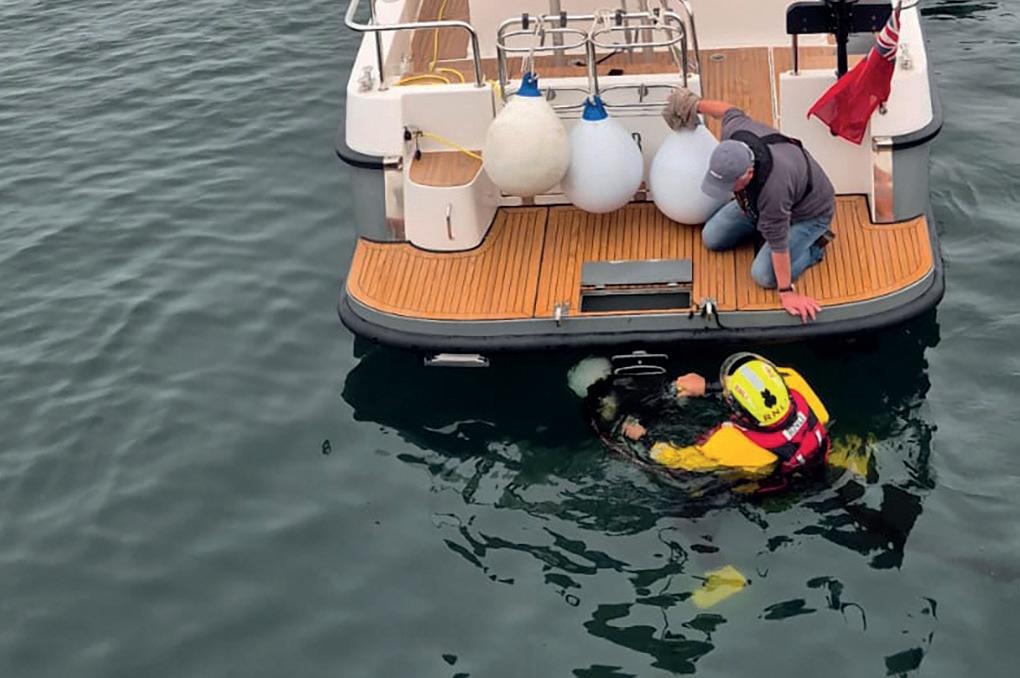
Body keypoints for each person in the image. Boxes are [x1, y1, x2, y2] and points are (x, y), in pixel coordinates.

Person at [663, 89, 837, 323]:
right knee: (712, 238)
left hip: (807, 214)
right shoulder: (735, 133)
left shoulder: (774, 189)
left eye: (728, 184)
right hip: (754, 203)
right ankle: (761, 226)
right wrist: (693, 104)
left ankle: (815, 247)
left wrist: (787, 292)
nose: (724, 189)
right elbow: (728, 111)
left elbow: (779, 244)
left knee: (764, 275)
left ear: (748, 173)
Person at [618, 353, 831, 487]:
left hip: (762, 483)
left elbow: (678, 461)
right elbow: (760, 383)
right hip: (819, 459)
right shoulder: (795, 381)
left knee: (690, 498)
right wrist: (706, 387)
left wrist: (644, 439)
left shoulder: (729, 443)